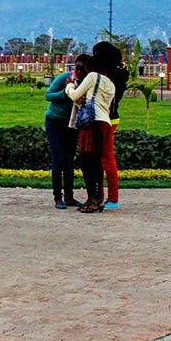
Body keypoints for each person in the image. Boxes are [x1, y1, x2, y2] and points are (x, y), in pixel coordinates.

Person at [66, 54, 116, 213]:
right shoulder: (111, 84)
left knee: (87, 163)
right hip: (104, 124)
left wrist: (69, 86)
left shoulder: (93, 77)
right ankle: (96, 198)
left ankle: (94, 199)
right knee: (96, 163)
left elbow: (74, 95)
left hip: (91, 124)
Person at [44, 54, 88, 209]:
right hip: (55, 121)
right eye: (78, 69)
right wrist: (65, 93)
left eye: (83, 70)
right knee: (58, 157)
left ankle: (69, 196)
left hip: (72, 123)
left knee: (69, 159)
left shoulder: (86, 83)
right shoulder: (64, 78)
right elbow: (48, 95)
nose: (80, 72)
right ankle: (58, 197)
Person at [93, 41, 128, 211]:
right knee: (103, 159)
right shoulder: (119, 74)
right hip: (113, 118)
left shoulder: (105, 76)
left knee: (106, 159)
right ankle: (102, 195)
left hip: (103, 118)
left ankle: (112, 198)